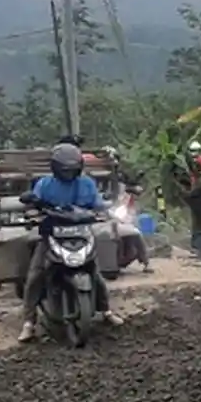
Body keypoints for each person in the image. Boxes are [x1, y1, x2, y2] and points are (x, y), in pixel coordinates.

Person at [18, 143, 124, 343]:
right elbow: (32, 204)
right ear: (55, 168)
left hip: (81, 233)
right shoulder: (44, 184)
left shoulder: (87, 184)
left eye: (72, 169)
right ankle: (29, 323)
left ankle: (106, 311)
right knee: (36, 275)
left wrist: (107, 210)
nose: (68, 173)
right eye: (64, 169)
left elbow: (98, 204)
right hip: (52, 234)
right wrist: (32, 212)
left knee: (95, 273)